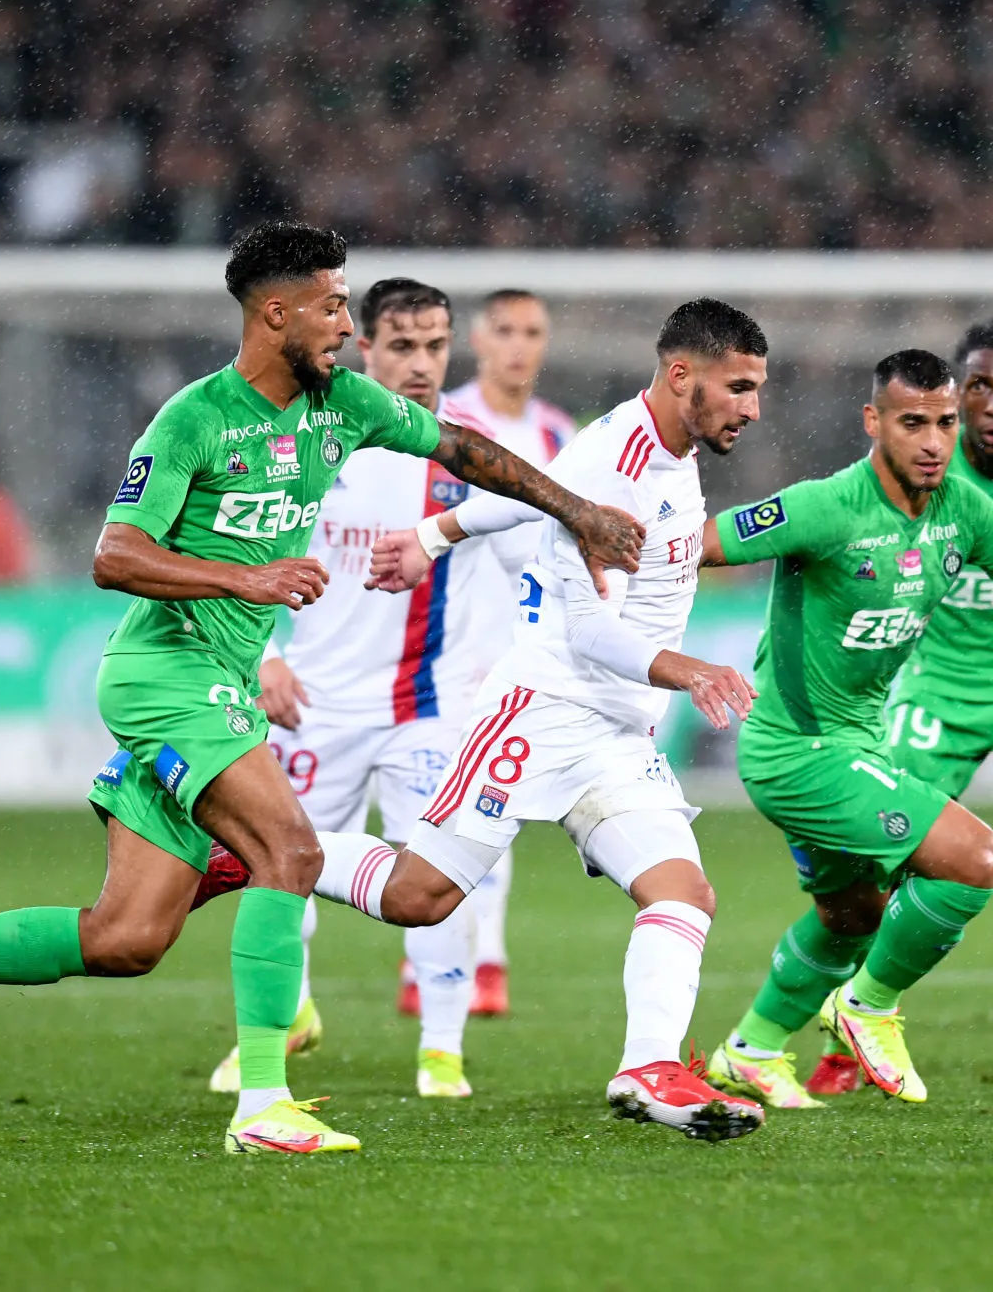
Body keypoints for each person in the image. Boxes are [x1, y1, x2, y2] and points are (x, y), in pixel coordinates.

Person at [0, 221, 643, 1155]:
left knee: (125, 937)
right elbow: (114, 554)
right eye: (331, 306)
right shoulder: (193, 420)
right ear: (275, 312)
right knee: (286, 850)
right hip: (163, 676)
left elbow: (462, 450)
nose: (344, 323)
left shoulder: (345, 406)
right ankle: (262, 1105)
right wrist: (242, 577)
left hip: (223, 685)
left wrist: (577, 509)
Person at [193, 298, 776, 1142]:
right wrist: (683, 668)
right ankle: (271, 850)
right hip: (540, 710)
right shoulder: (618, 456)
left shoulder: (662, 449)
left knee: (682, 894)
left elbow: (533, 494)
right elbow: (589, 631)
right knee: (419, 895)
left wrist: (435, 531)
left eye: (756, 390)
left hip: (614, 734)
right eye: (740, 387)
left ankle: (649, 1066)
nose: (752, 408)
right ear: (682, 374)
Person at [699, 349, 993, 1110]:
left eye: (944, 423)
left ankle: (749, 1050)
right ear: (872, 422)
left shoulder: (962, 508)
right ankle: (867, 1007)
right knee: (973, 856)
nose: (932, 441)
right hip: (796, 751)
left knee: (852, 917)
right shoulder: (825, 506)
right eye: (912, 422)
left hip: (859, 741)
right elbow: (698, 546)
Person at [198, 277, 562, 1101]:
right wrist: (264, 659)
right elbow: (241, 554)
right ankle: (286, 1016)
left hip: (426, 712)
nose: (422, 363)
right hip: (313, 708)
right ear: (367, 349)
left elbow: (532, 576)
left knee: (434, 877)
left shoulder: (467, 454)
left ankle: (442, 1050)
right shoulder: (317, 446)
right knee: (276, 870)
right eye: (403, 345)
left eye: (436, 345)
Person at [395, 288, 577, 1020]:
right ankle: (434, 962)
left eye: (533, 331)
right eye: (504, 330)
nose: (518, 345)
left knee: (498, 804)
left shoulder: (561, 433)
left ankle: (485, 959)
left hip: (531, 647)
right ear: (477, 337)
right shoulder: (445, 424)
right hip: (450, 646)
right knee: (447, 808)